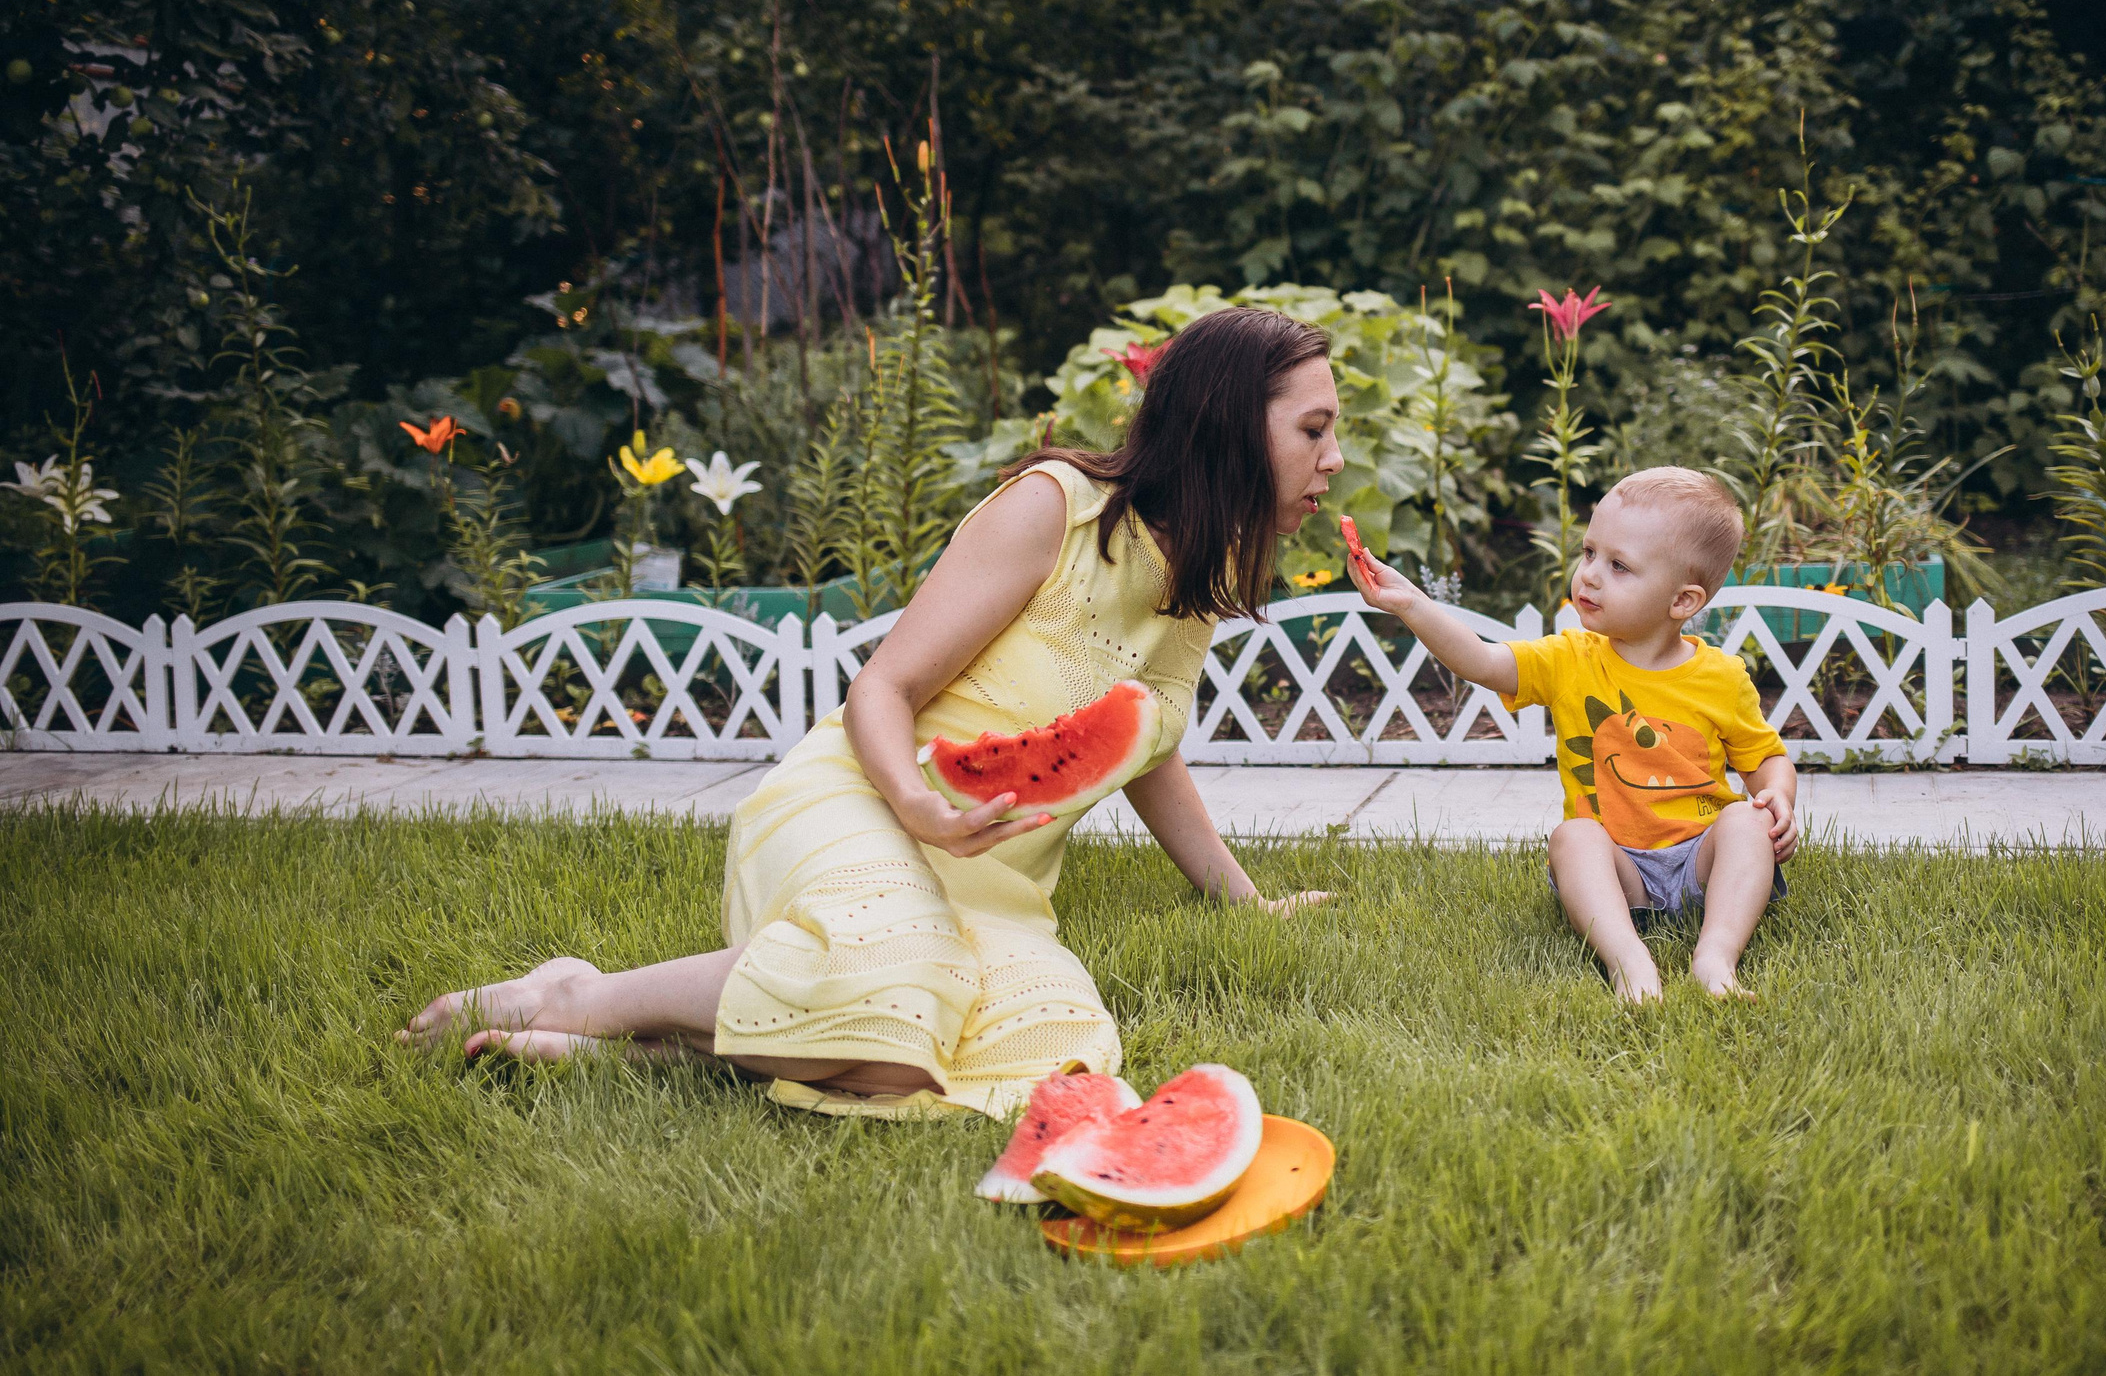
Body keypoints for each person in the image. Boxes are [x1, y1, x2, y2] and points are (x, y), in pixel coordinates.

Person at [402, 307, 1336, 1116]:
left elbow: (1137, 742)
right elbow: (882, 687)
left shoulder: (1195, 576)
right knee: (888, 979)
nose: (1332, 460)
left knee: (991, 1054)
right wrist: (918, 803)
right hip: (867, 800)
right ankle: (582, 997)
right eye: (1313, 430)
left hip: (992, 882)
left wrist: (1245, 903)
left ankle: (649, 1057)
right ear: (1226, 424)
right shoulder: (1056, 509)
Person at [1349, 466, 1797, 1001]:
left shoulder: (1721, 677)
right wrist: (1414, 604)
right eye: (1588, 553)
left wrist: (1777, 796)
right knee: (1574, 836)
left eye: (1619, 565)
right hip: (1620, 871)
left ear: (1682, 601)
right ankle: (1628, 961)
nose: (1589, 575)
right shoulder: (1568, 658)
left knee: (1747, 820)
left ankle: (1716, 956)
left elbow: (1764, 758)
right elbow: (1483, 662)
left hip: (1703, 859)